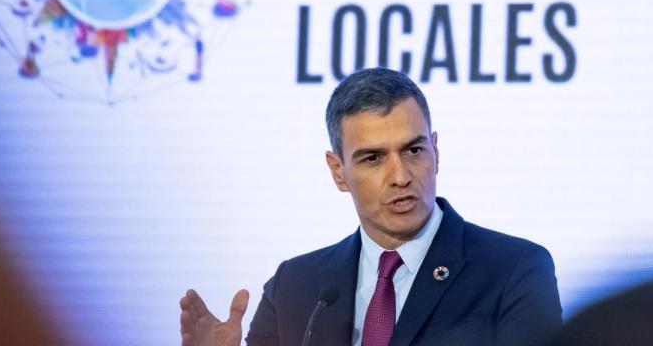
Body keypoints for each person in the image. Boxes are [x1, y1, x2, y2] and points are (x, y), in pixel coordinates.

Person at [180, 67, 562, 346]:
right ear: (338, 172)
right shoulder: (295, 287)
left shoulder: (514, 270)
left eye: (414, 150)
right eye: (373, 159)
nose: (401, 176)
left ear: (436, 151)